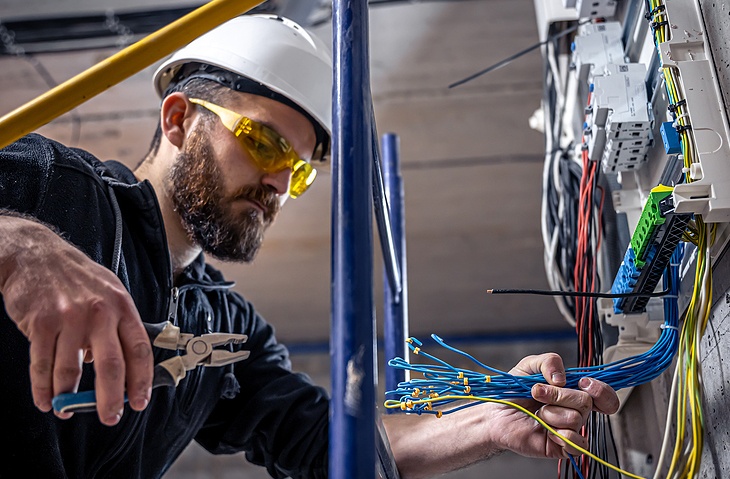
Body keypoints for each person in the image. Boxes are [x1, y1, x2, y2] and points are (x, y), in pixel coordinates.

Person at [0, 14, 619, 479]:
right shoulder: (56, 189)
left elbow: (328, 445)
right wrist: (21, 245)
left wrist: (490, 418)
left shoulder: (225, 330)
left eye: (298, 173)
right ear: (178, 119)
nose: (278, 184)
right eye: (265, 145)